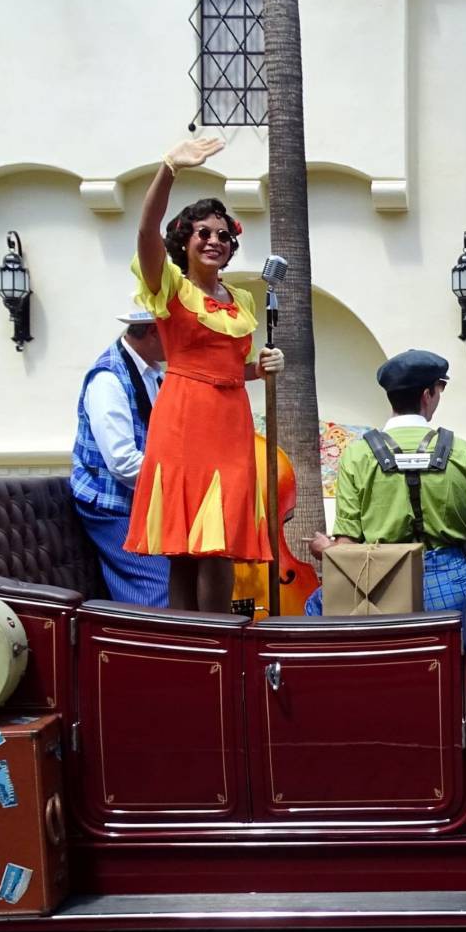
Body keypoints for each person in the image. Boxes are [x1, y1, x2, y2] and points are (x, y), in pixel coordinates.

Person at [127, 136, 284, 612]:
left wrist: (259, 369)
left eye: (223, 235)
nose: (214, 240)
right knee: (185, 545)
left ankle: (218, 639)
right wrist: (169, 168)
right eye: (203, 233)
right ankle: (191, 645)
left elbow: (230, 367)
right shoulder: (170, 287)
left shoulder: (244, 300)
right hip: (184, 418)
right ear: (185, 242)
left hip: (230, 420)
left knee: (223, 542)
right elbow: (145, 231)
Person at [303, 349, 466, 614]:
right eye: (439, 391)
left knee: (315, 606)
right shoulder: (462, 452)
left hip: (381, 583)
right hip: (452, 587)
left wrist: (325, 549)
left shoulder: (358, 454)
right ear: (427, 394)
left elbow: (347, 546)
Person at [70, 310, 170, 607]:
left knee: (192, 571)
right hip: (110, 505)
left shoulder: (152, 372)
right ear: (154, 332)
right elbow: (123, 464)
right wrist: (179, 485)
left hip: (139, 500)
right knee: (159, 588)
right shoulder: (108, 378)